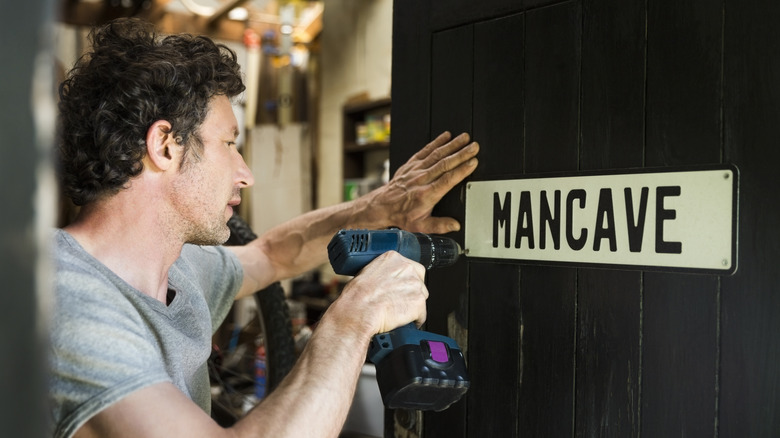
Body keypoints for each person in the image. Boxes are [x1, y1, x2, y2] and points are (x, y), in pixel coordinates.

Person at [50, 18, 479, 438]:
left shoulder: (178, 269)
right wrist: (353, 317)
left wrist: (378, 207)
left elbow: (272, 254)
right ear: (165, 145)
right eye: (229, 143)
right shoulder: (66, 300)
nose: (245, 173)